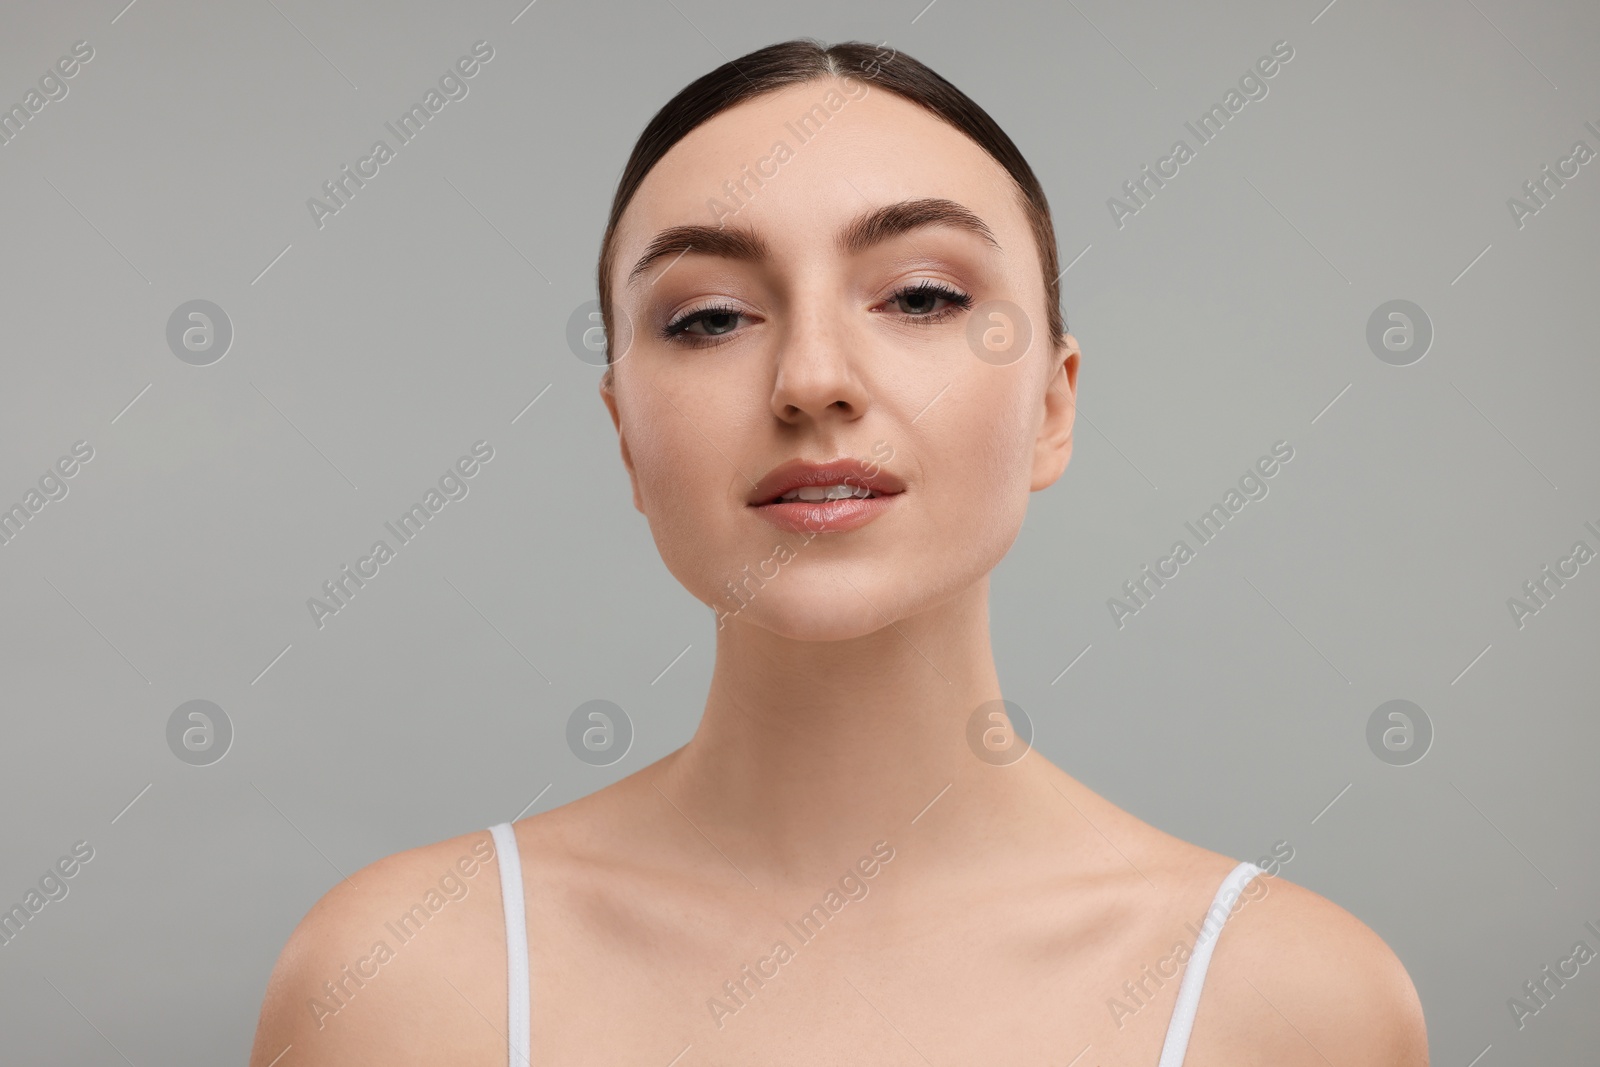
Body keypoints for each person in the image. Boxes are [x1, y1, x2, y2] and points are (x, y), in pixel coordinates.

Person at [249, 38, 1429, 1066]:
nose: (812, 378)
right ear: (623, 433)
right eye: (709, 315)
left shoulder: (1290, 1000)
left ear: (1053, 406)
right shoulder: (400, 982)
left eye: (917, 296)